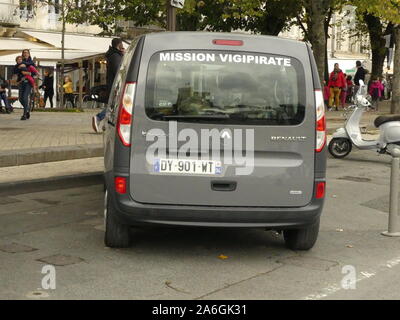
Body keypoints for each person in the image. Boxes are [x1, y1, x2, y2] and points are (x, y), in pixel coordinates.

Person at [92, 38, 125, 133]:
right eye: (122, 45)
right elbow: (119, 72)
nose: (123, 47)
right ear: (119, 45)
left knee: (115, 107)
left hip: (113, 85)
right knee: (114, 106)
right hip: (116, 86)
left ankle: (106, 125)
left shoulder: (114, 55)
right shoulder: (115, 56)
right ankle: (98, 117)